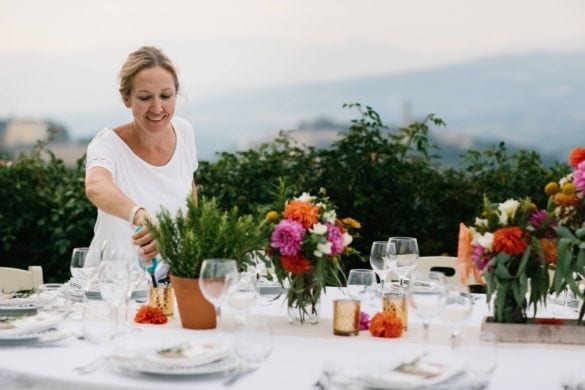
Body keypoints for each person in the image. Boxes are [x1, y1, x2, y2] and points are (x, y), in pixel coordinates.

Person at [85, 46, 198, 266]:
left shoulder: (184, 131)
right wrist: (138, 215)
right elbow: (95, 186)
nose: (157, 108)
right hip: (110, 285)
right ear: (126, 99)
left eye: (166, 96)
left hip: (168, 281)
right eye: (145, 97)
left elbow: (189, 189)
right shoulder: (106, 144)